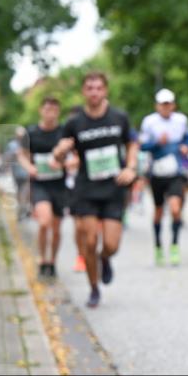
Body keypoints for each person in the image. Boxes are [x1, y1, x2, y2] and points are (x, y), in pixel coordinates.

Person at [51, 72, 138, 308]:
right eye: (89, 88)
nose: (94, 92)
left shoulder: (119, 117)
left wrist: (130, 167)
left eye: (99, 88)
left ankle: (105, 259)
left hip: (113, 188)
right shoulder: (74, 123)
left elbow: (132, 144)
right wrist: (60, 152)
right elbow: (58, 156)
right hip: (87, 189)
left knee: (111, 244)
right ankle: (93, 288)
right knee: (89, 241)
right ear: (83, 92)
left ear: (106, 90)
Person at [139, 89, 188, 266]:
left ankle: (174, 245)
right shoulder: (149, 122)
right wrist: (156, 143)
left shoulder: (181, 120)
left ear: (173, 105)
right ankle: (157, 246)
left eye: (169, 104)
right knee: (158, 211)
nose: (166, 107)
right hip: (157, 171)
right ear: (157, 105)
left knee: (175, 209)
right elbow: (142, 145)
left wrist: (187, 146)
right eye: (163, 104)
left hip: (175, 171)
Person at [17, 97, 68, 279]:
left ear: (58, 112)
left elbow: (76, 157)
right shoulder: (31, 133)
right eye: (47, 109)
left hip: (59, 184)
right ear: (41, 111)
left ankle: (52, 261)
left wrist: (64, 165)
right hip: (39, 183)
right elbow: (21, 155)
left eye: (54, 110)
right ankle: (41, 258)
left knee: (56, 227)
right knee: (44, 221)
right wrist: (29, 167)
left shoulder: (64, 132)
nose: (50, 113)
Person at [7, 127, 31, 219]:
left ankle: (23, 209)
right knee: (20, 191)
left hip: (26, 172)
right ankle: (22, 208)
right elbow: (8, 158)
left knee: (25, 191)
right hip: (16, 173)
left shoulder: (28, 144)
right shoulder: (12, 145)